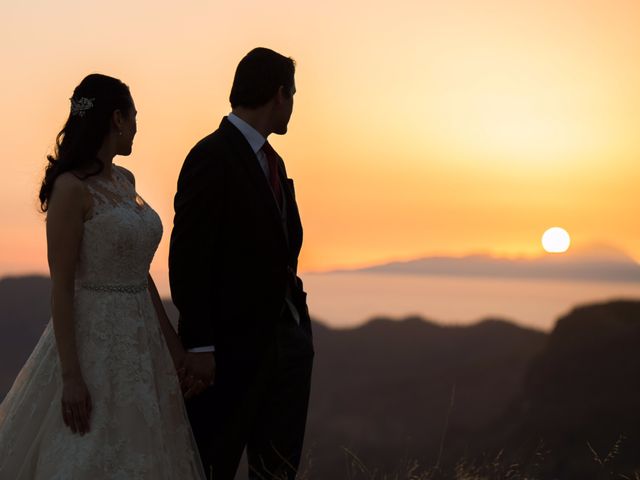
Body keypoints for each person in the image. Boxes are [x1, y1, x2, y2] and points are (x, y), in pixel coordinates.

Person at [0, 74, 206, 479]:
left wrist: (173, 346)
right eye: (134, 117)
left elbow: (140, 274)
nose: (136, 128)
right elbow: (61, 287)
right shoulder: (70, 189)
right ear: (116, 119)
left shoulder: (124, 181)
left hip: (141, 343)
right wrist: (71, 377)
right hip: (92, 339)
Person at [169, 47, 314, 480]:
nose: (294, 105)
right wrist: (199, 346)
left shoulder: (274, 161)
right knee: (211, 467)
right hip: (227, 359)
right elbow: (189, 256)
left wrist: (297, 331)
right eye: (293, 93)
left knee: (277, 472)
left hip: (284, 350)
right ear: (278, 95)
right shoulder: (211, 156)